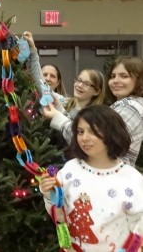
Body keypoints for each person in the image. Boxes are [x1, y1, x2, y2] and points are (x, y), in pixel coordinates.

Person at [39, 105, 143, 251]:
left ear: (112, 134)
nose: (84, 138)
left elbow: (139, 230)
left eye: (93, 132)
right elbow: (58, 214)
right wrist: (49, 194)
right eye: (80, 132)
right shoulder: (70, 170)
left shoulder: (132, 180)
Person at [45, 56, 143, 167]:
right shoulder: (121, 105)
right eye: (113, 76)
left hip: (111, 179)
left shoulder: (130, 108)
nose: (115, 81)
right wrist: (60, 111)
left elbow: (98, 144)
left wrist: (60, 121)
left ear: (139, 80)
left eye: (124, 76)